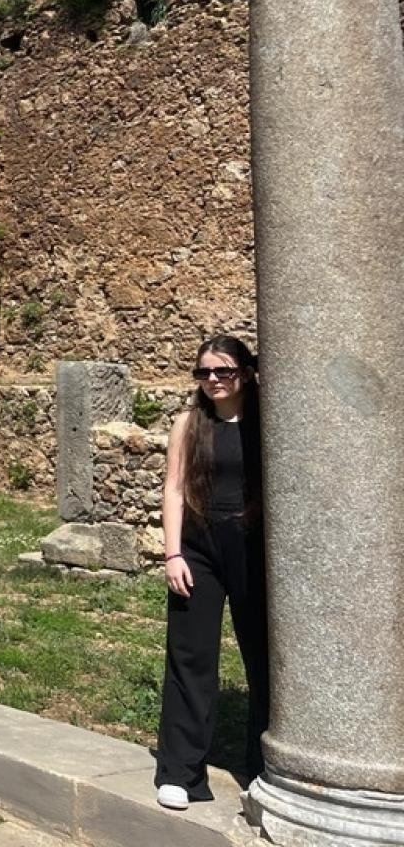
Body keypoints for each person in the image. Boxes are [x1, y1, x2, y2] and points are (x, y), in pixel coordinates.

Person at [155, 336, 269, 811]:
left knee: (265, 656)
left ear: (245, 372)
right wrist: (173, 554)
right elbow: (174, 489)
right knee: (190, 656)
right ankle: (181, 771)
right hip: (198, 548)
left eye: (223, 371)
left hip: (252, 547)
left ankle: (264, 766)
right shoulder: (189, 423)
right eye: (204, 373)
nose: (214, 381)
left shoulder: (267, 422)